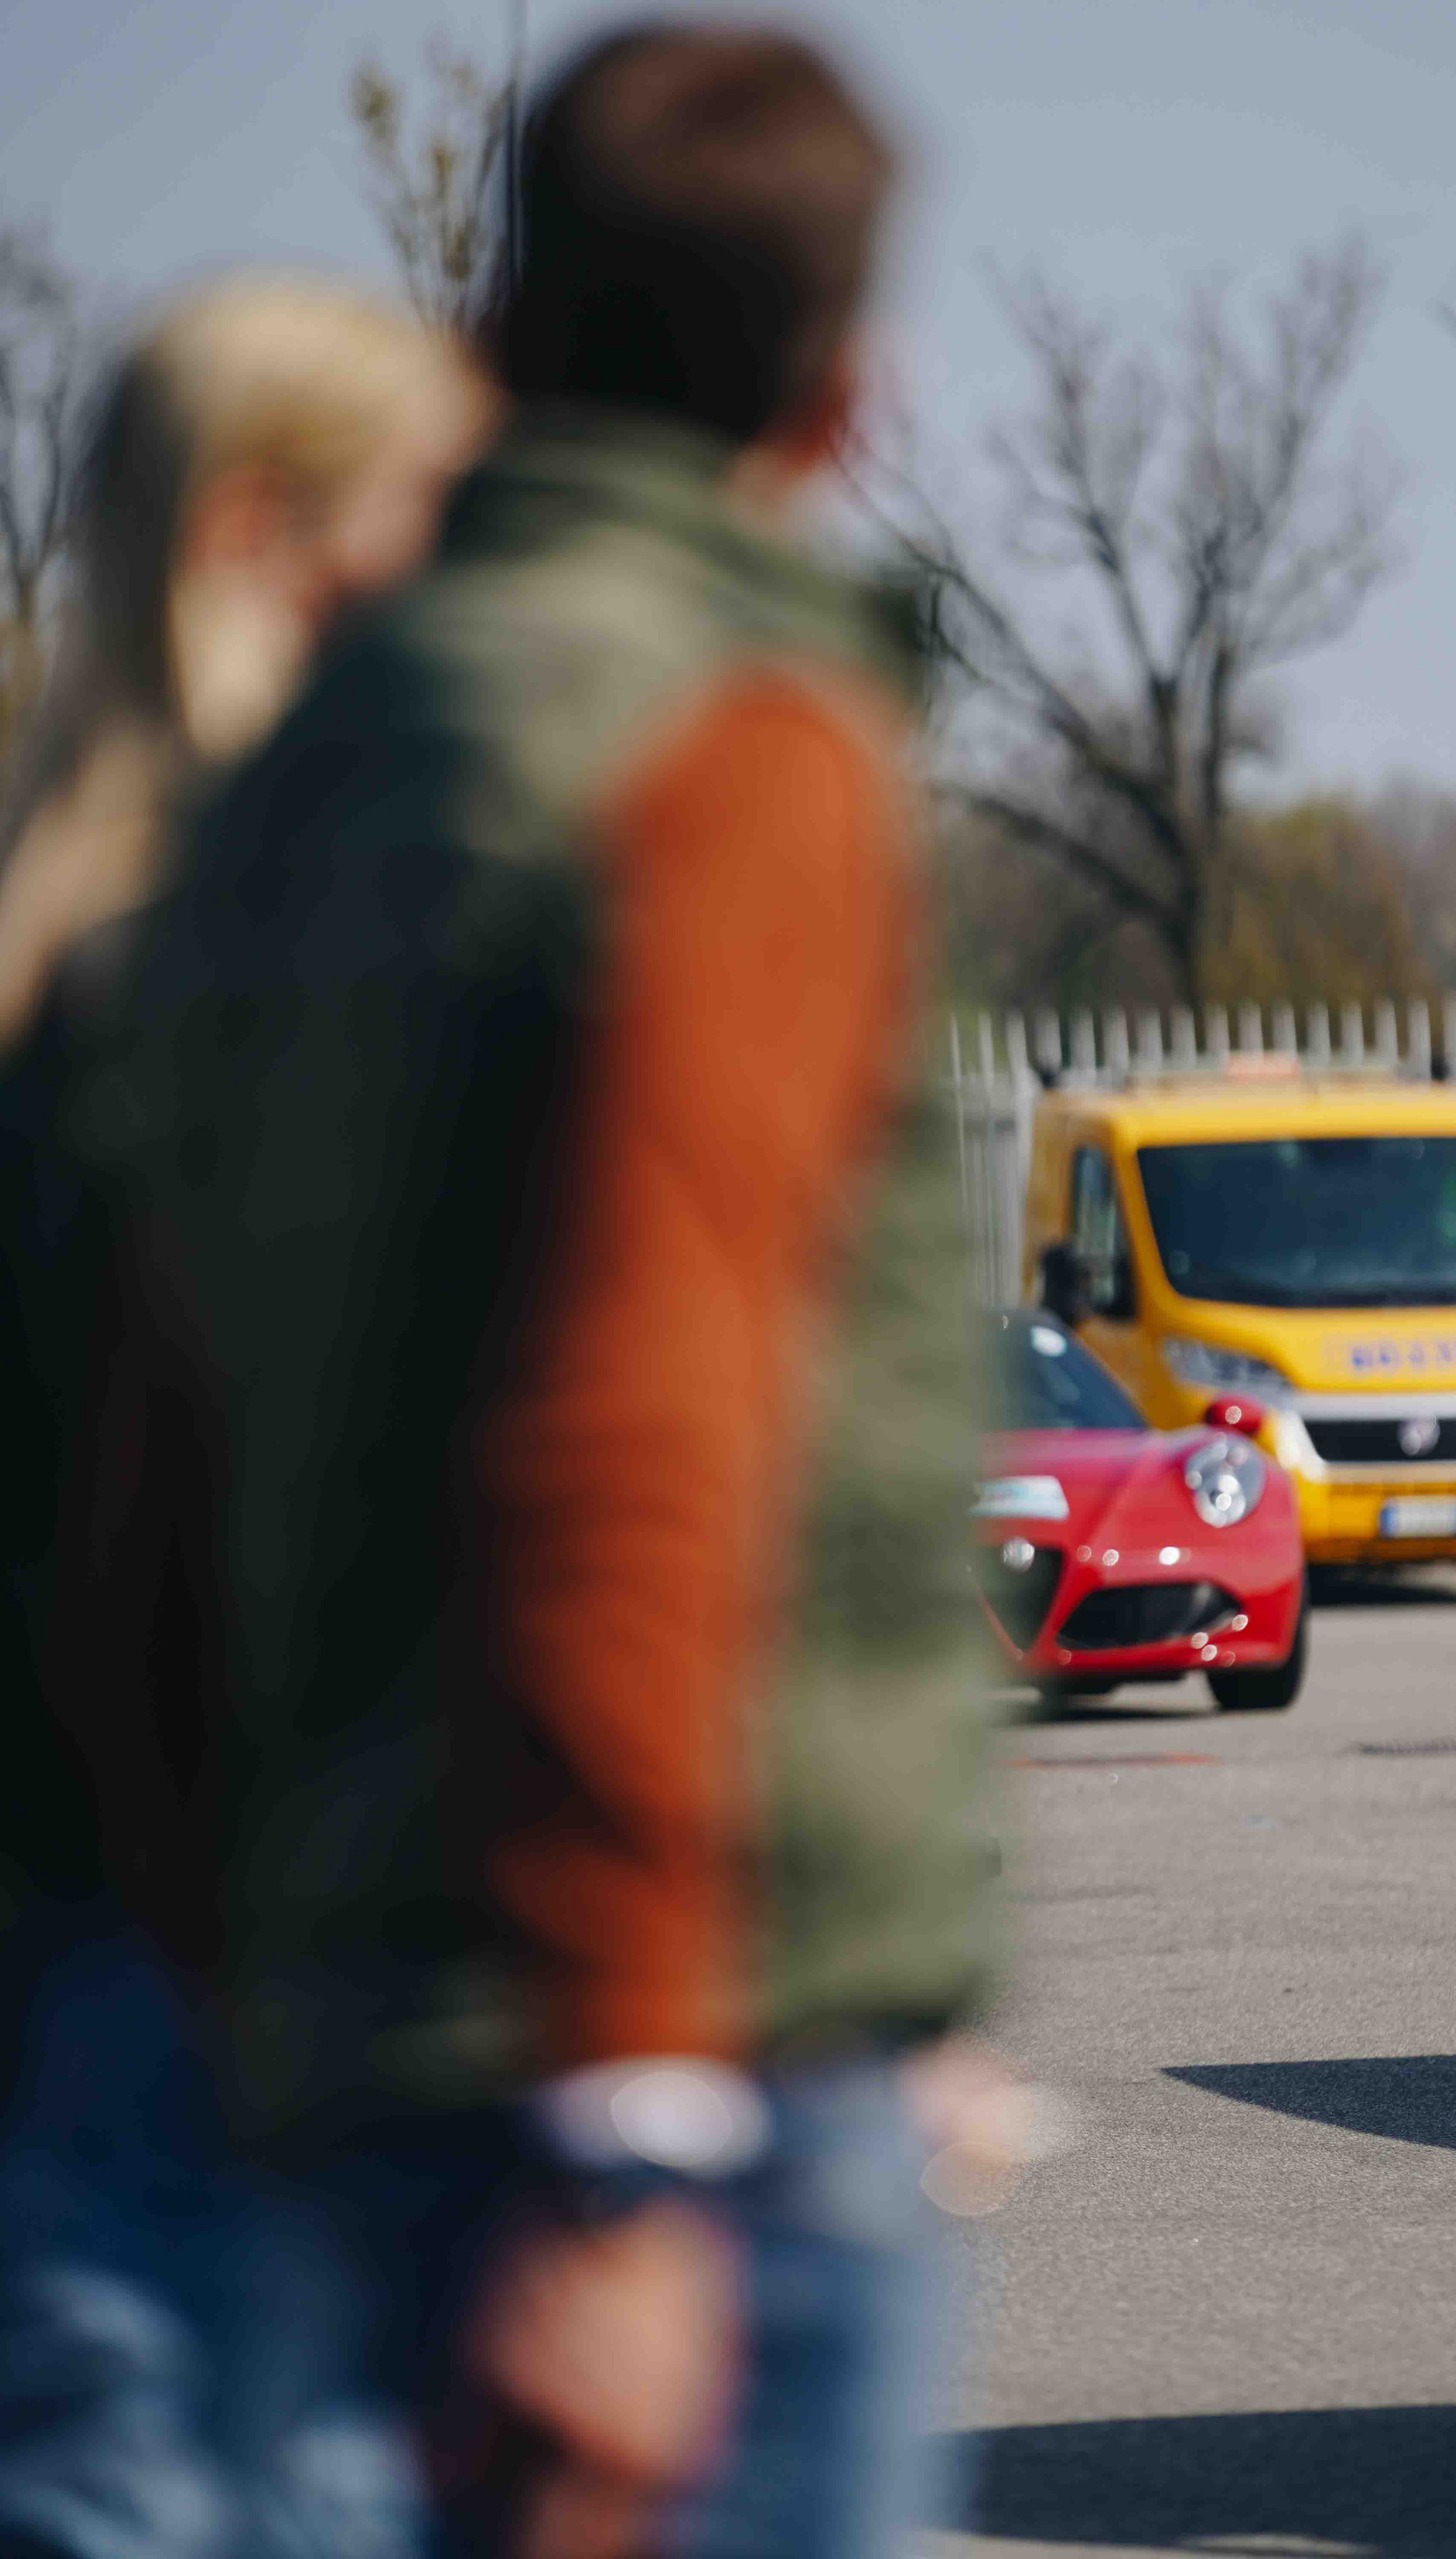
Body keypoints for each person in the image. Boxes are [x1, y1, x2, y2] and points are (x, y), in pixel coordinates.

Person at [50, 23, 1000, 2558]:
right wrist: (632, 2135)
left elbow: (159, 1464)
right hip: (676, 2064)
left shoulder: (304, 766)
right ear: (843, 394)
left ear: (501, 323)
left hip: (349, 2025)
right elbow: (641, 1417)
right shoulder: (739, 738)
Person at [0, 275, 490, 2559]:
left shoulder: (67, 947)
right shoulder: (229, 988)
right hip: (241, 2025)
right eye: (426, 524)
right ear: (256, 536)